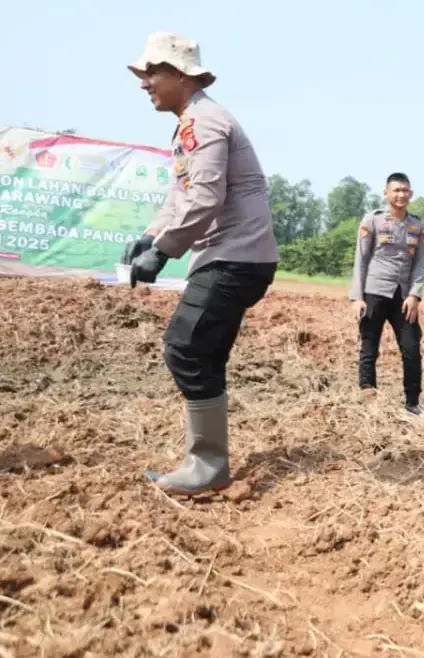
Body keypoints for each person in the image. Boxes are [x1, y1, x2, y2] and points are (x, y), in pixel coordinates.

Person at [121, 32, 278, 496]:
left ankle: (208, 466)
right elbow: (182, 197)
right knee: (201, 351)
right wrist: (151, 235)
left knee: (186, 347)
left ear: (180, 75)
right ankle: (205, 461)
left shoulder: (204, 122)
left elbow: (206, 198)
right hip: (230, 254)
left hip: (235, 255)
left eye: (152, 73)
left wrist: (164, 251)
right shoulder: (192, 121)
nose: (144, 83)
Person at [349, 172, 424, 415]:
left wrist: (415, 295)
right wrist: (356, 297)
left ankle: (412, 403)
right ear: (386, 192)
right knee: (369, 347)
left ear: (411, 194)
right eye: (396, 190)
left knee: (412, 348)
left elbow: (419, 263)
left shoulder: (416, 225)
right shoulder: (373, 220)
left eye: (405, 190)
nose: (401, 195)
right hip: (374, 291)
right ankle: (369, 399)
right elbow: (361, 259)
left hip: (403, 296)